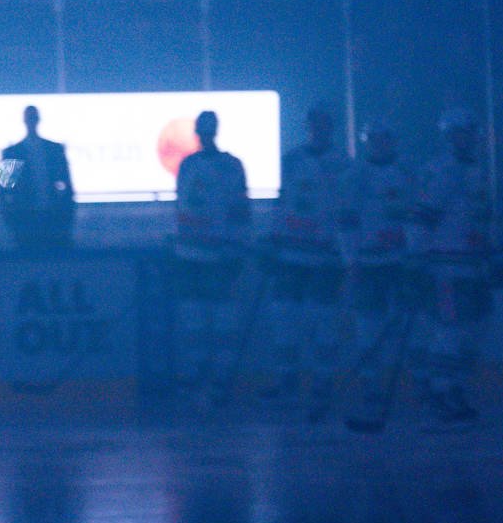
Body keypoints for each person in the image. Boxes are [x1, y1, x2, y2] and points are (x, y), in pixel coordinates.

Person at [261, 104, 350, 415]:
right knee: (284, 316)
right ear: (307, 126)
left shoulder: (343, 163)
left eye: (324, 123)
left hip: (327, 255)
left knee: (325, 319)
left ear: (331, 127)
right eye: (314, 123)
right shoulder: (292, 159)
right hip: (290, 252)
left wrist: (346, 252)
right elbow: (282, 202)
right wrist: (273, 240)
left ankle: (322, 382)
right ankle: (287, 381)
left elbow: (346, 211)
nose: (318, 129)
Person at [411, 109, 495, 426]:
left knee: (474, 329)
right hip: (446, 266)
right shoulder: (440, 169)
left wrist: (492, 254)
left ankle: (455, 391)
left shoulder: (477, 169)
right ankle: (438, 396)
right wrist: (416, 260)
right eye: (459, 132)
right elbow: (422, 216)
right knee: (450, 331)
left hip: (473, 265)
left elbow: (482, 218)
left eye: (470, 132)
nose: (466, 138)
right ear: (447, 136)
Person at [338, 122, 417, 430]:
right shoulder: (354, 177)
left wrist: (415, 258)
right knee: (368, 329)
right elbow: (346, 223)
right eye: (374, 139)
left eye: (385, 138)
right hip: (368, 265)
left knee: (401, 329)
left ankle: (412, 390)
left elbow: (417, 218)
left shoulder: (409, 174)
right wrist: (351, 262)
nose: (379, 144)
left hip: (400, 264)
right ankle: (372, 390)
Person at [169, 110, 250, 404]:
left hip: (219, 254)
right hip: (191, 254)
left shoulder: (230, 166)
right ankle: (196, 374)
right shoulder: (188, 165)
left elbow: (241, 211)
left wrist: (238, 247)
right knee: (193, 319)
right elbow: (182, 207)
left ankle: (219, 376)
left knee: (223, 320)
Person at [0, 105, 75, 250]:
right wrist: (11, 219)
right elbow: (4, 191)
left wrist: (66, 214)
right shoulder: (12, 152)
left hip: (53, 219)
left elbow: (68, 186)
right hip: (25, 221)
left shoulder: (54, 150)